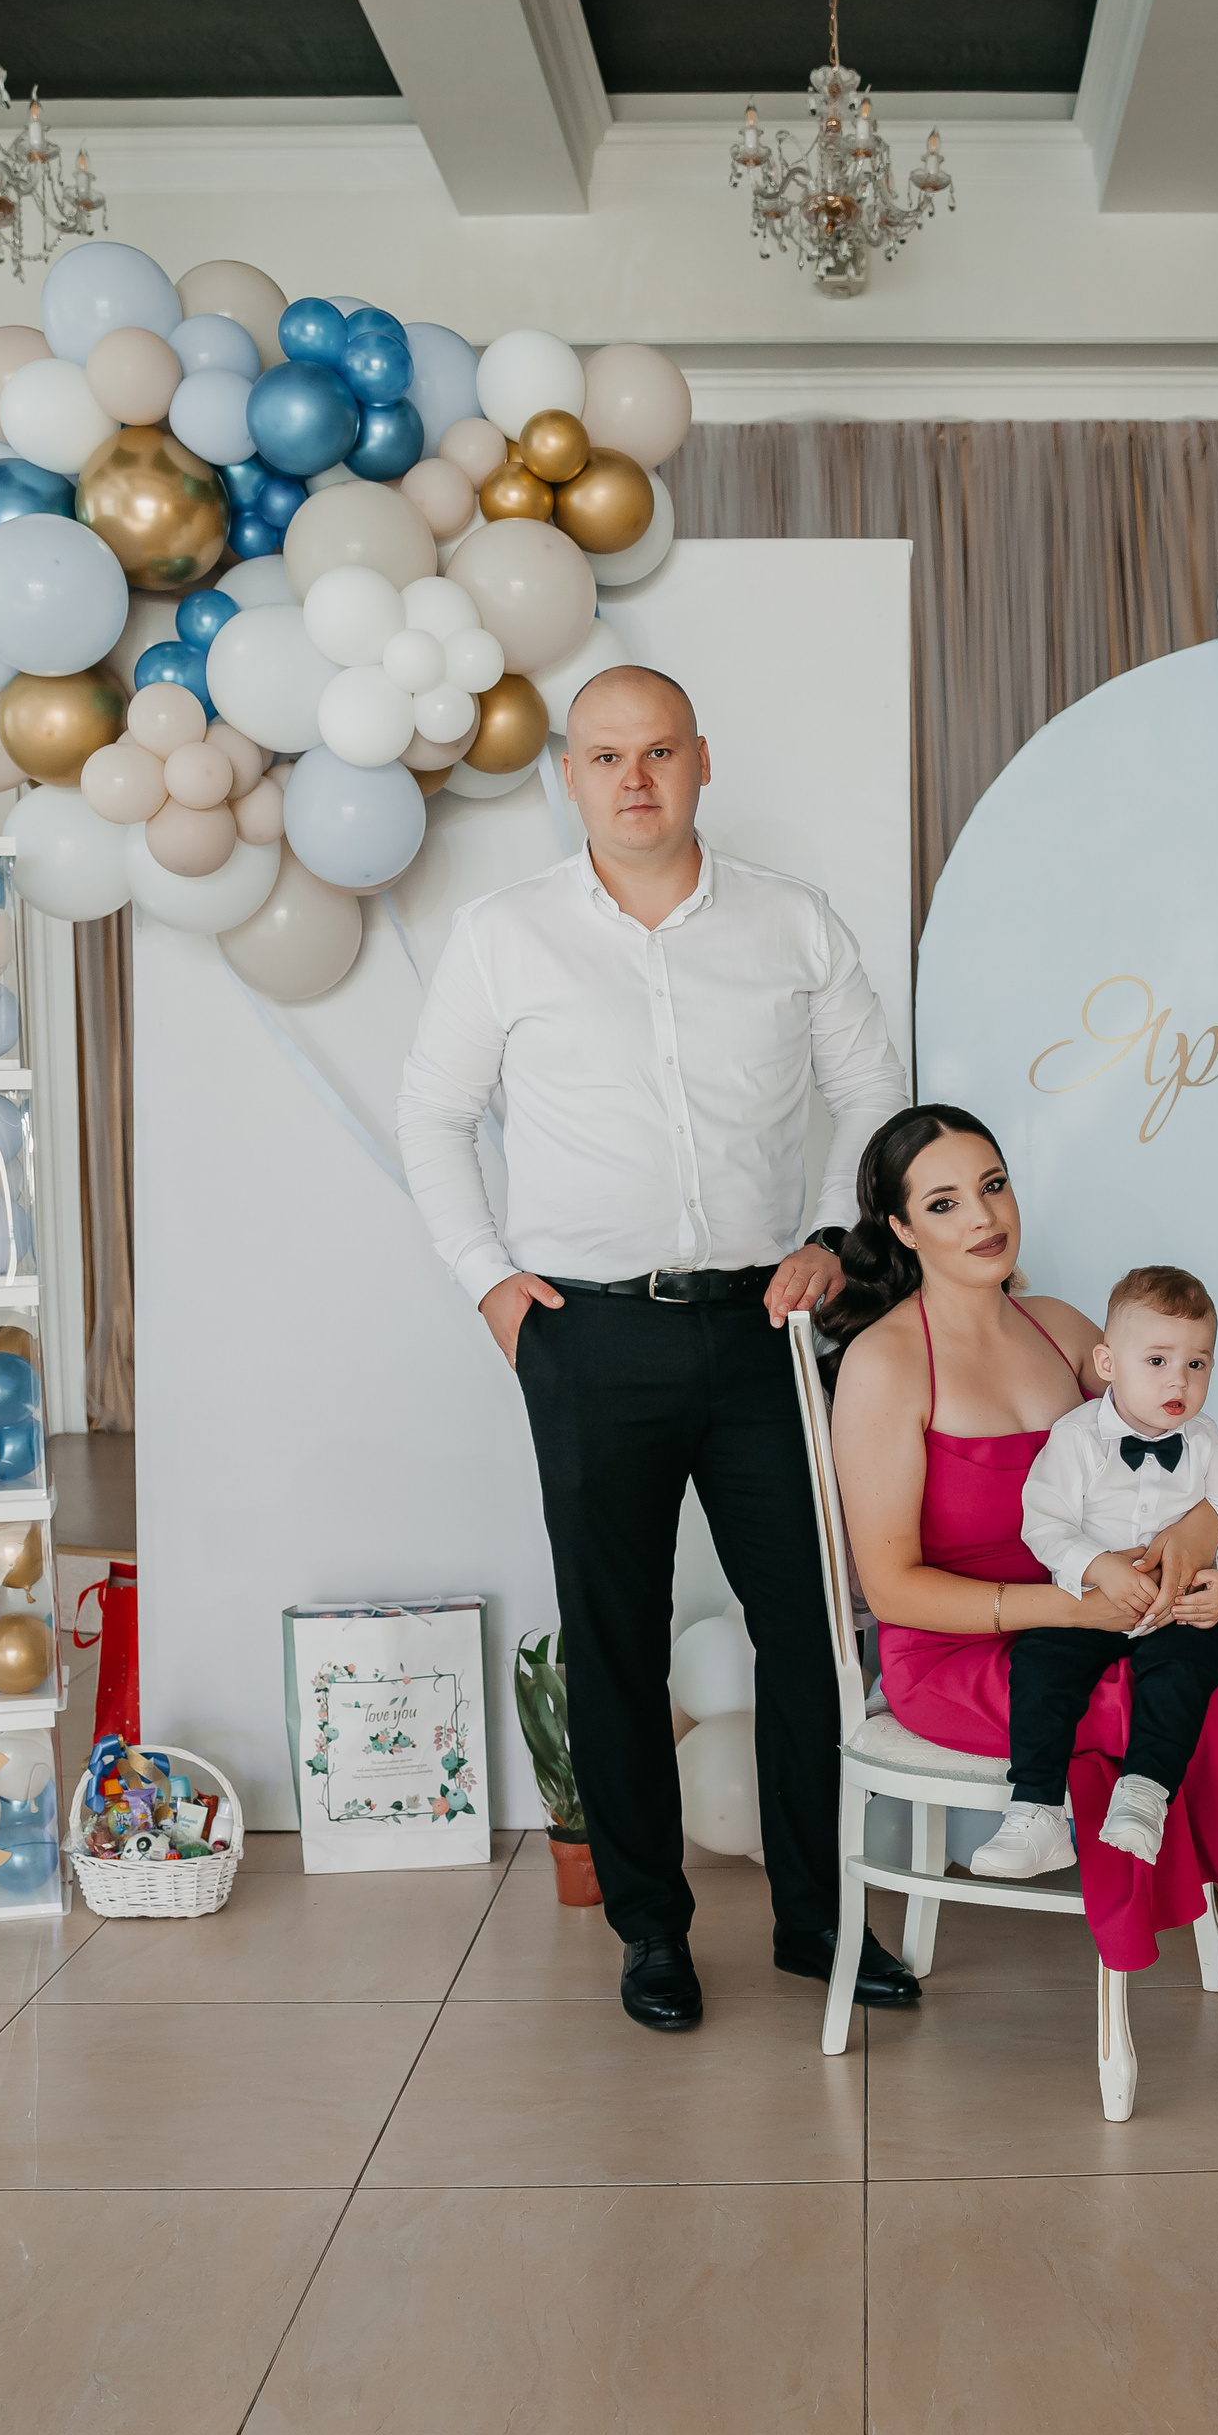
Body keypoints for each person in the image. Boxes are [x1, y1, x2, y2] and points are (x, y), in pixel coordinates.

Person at [397, 663, 918, 2036]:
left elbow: (875, 1098)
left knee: (808, 1633)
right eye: (606, 755)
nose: (635, 778)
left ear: (702, 761)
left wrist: (832, 1237)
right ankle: (651, 1931)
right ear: (570, 774)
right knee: (614, 1640)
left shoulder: (792, 923)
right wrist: (491, 1285)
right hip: (585, 1334)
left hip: (765, 1328)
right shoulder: (504, 936)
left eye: (660, 751)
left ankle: (820, 1919)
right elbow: (431, 1115)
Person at [824, 1103, 1218, 2163]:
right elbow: (894, 1591)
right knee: (1217, 1707)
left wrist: (1203, 1541)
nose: (983, 1218)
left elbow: (1187, 1452)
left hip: (1116, 1610)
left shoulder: (1064, 1328)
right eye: (943, 1203)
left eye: (993, 1184)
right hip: (971, 1642)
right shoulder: (887, 1363)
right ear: (900, 1228)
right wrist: (1076, 1605)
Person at [977, 1262, 1218, 1877]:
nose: (1179, 1380)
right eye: (1158, 1360)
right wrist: (1097, 1566)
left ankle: (1144, 1794)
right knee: (1040, 1665)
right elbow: (1043, 1523)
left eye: (1197, 1363)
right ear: (1108, 1364)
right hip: (1088, 1607)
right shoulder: (1077, 1438)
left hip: (1171, 1609)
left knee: (1190, 1663)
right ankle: (1035, 1810)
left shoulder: (1207, 1445)